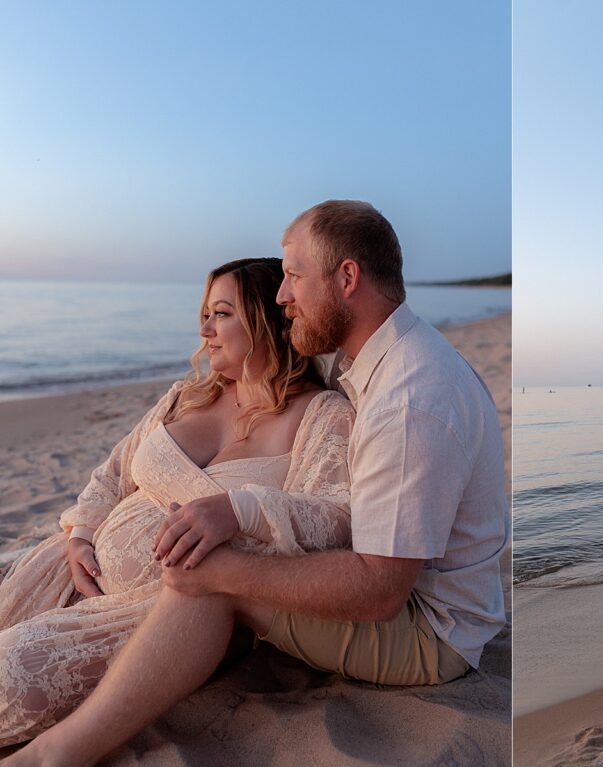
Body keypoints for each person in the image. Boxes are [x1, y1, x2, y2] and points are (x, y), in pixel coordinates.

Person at [6, 200, 508, 767]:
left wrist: (230, 542)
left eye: (293, 276)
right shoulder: (380, 369)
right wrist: (83, 532)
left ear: (346, 278)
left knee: (210, 578)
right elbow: (116, 471)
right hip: (396, 588)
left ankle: (56, 754)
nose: (283, 295)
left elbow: (379, 588)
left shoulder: (407, 397)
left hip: (426, 628)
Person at [0, 257, 354, 747]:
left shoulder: (321, 414)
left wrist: (240, 509)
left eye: (222, 314)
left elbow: (336, 517)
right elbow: (112, 474)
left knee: (12, 675)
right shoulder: (187, 396)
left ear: (268, 318)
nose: (205, 329)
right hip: (68, 568)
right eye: (205, 313)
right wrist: (80, 536)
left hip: (157, 612)